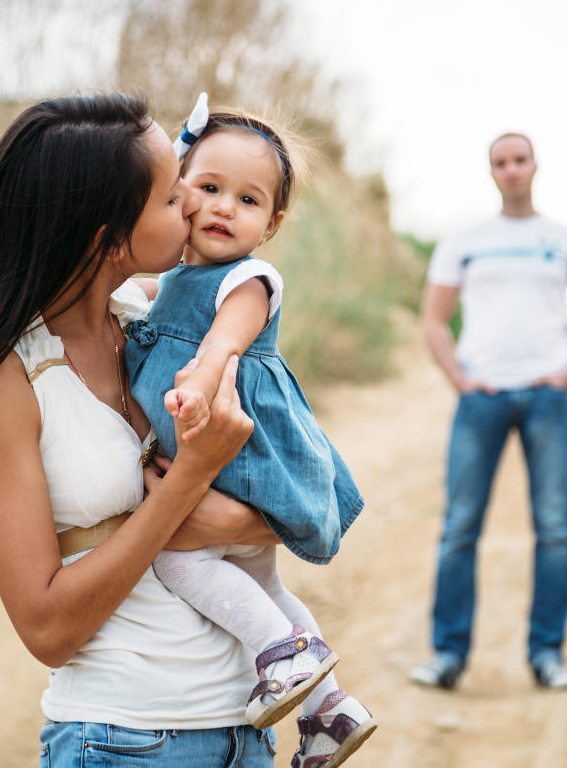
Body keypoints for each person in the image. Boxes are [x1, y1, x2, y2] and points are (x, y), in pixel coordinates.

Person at [0, 93, 283, 767]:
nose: (196, 207)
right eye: (173, 199)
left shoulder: (164, 325)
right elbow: (47, 629)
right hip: (126, 739)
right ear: (108, 241)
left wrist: (232, 518)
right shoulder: (5, 386)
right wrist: (189, 486)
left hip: (246, 725)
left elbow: (291, 496)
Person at [124, 94, 376, 768]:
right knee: (261, 582)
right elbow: (131, 304)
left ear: (273, 223)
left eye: (248, 199)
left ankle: (285, 655)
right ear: (177, 190)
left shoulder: (249, 278)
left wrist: (195, 388)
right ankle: (331, 710)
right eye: (207, 188)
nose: (222, 208)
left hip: (237, 447)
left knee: (178, 556)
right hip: (222, 450)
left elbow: (221, 348)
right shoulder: (174, 278)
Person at [409, 132, 567, 692]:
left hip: (547, 395)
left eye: (520, 160)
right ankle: (447, 656)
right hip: (482, 396)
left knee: (554, 530)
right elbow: (433, 320)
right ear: (491, 172)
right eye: (501, 162)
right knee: (459, 529)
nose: (512, 170)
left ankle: (547, 656)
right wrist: (461, 380)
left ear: (534, 166)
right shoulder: (466, 241)